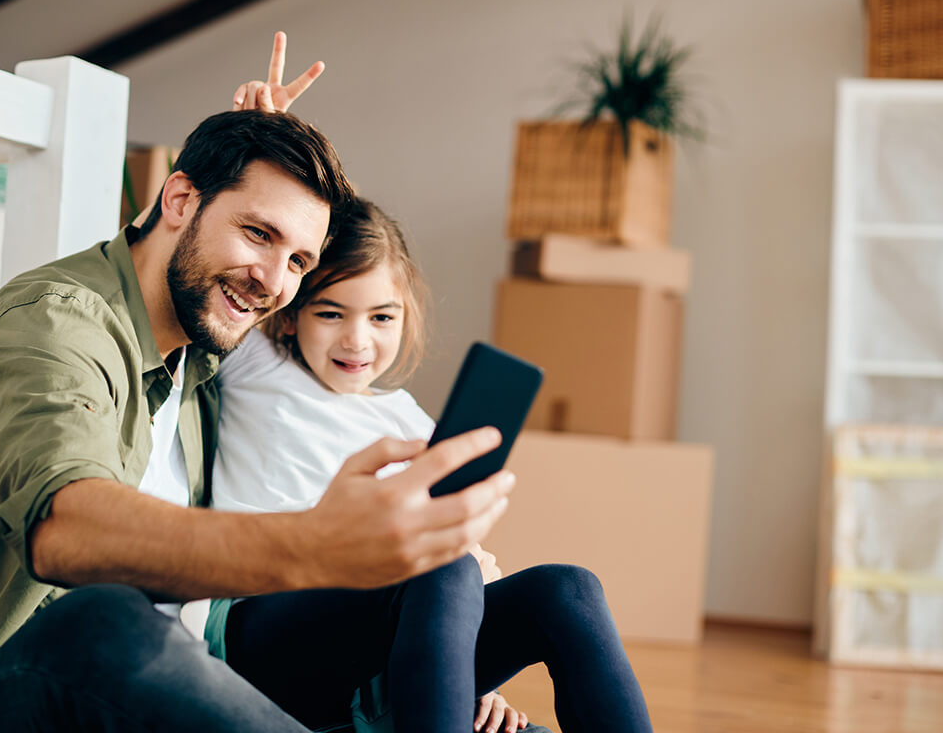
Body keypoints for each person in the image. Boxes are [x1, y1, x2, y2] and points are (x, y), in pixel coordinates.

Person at [0, 35, 515, 733]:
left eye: (297, 260)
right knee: (103, 615)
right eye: (257, 233)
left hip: (176, 690)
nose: (273, 281)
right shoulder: (54, 326)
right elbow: (66, 531)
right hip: (5, 701)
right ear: (177, 200)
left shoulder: (202, 358)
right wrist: (314, 542)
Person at [204, 199, 654, 733]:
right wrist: (266, 129)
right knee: (443, 564)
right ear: (291, 310)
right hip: (271, 631)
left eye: (381, 317)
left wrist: (482, 684)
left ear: (405, 316)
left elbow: (449, 575)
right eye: (330, 313)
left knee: (567, 588)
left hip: (387, 657)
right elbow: (205, 253)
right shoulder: (256, 362)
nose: (357, 339)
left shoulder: (414, 425)